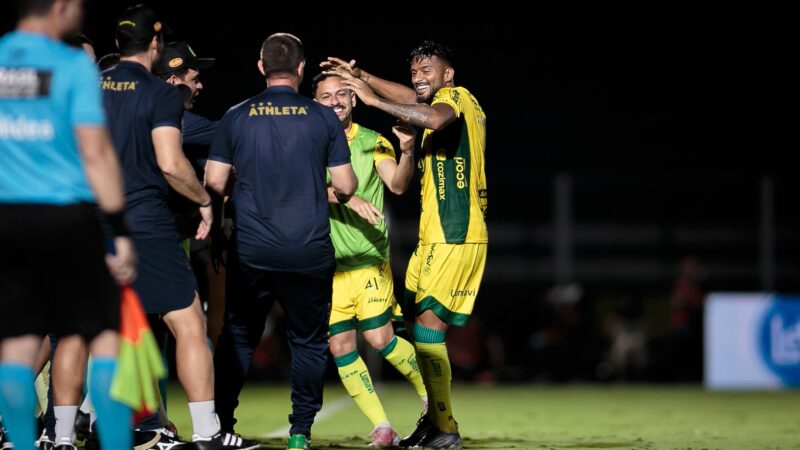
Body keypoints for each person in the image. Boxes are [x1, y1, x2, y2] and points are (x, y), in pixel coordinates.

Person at [102, 5, 258, 450]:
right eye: (192, 74)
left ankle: (71, 427)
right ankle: (204, 431)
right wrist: (206, 201)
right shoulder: (166, 103)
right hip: (147, 229)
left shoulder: (90, 91)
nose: (200, 82)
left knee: (83, 332)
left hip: (91, 223)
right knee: (188, 324)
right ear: (158, 54)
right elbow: (175, 162)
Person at [324, 41, 488, 449]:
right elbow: (415, 100)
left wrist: (372, 100)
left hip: (455, 231)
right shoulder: (443, 97)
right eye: (414, 70)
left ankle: (444, 427)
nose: (418, 77)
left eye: (427, 69)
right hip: (437, 234)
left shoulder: (457, 98)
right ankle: (435, 419)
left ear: (448, 74)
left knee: (428, 335)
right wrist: (364, 78)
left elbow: (430, 116)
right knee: (419, 331)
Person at [206, 33, 357, 450]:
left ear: (260, 66)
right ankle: (300, 432)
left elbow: (215, 181)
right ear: (302, 68)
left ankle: (220, 424)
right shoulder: (323, 118)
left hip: (252, 248)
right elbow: (345, 187)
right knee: (306, 340)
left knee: (238, 335)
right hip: (308, 249)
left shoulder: (236, 116)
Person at [0, 1, 137, 450]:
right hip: (64, 216)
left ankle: (21, 444)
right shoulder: (71, 65)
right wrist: (117, 229)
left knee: (17, 351)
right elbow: (95, 153)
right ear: (60, 7)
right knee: (103, 337)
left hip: (9, 219)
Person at [311, 73, 426, 447]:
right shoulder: (307, 144)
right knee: (340, 347)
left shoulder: (373, 142)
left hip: (368, 259)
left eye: (342, 93)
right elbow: (297, 184)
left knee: (379, 337)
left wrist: (407, 151)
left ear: (354, 100)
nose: (335, 101)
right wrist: (345, 197)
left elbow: (396, 184)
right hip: (328, 267)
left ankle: (433, 398)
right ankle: (382, 427)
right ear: (314, 103)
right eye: (326, 95)